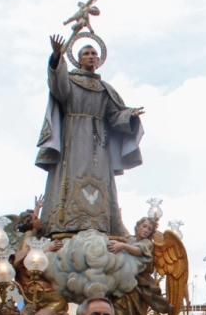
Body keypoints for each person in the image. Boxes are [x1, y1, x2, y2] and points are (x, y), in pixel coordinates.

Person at [36, 36, 143, 238]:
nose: (91, 57)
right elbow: (57, 87)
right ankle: (66, 221)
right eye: (86, 53)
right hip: (73, 138)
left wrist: (130, 115)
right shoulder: (70, 81)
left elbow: (114, 116)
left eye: (94, 53)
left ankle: (100, 222)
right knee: (71, 175)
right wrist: (57, 57)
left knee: (101, 178)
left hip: (99, 144)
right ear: (79, 59)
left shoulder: (105, 89)